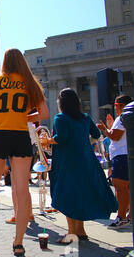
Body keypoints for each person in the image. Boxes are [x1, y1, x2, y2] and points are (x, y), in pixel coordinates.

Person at [0, 48, 49, 256]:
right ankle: (18, 243)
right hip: (20, 137)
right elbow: (44, 113)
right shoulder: (30, 83)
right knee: (22, 192)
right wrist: (24, 118)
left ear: (4, 62)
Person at [43, 88, 118, 243]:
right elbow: (97, 134)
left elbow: (61, 138)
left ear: (61, 103)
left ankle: (71, 234)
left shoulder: (60, 118)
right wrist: (84, 143)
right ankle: (81, 231)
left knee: (68, 194)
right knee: (81, 193)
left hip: (67, 162)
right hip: (86, 160)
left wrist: (47, 141)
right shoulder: (84, 117)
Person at [97, 95, 133, 229]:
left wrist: (104, 129)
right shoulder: (129, 117)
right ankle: (130, 216)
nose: (115, 108)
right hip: (127, 155)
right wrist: (111, 127)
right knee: (128, 188)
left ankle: (122, 216)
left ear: (121, 106)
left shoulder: (122, 117)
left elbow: (115, 137)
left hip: (121, 156)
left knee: (120, 187)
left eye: (116, 106)